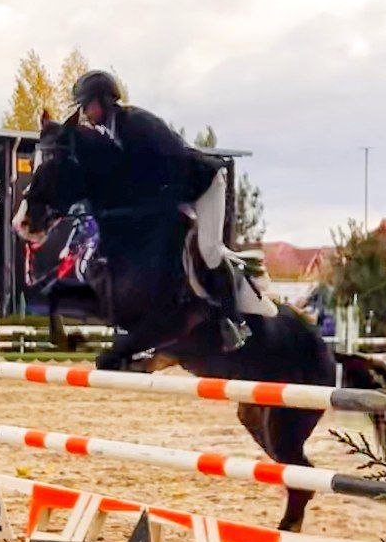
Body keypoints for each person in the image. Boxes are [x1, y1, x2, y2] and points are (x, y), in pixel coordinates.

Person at [71, 70, 251, 351]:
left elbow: (173, 163)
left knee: (209, 249)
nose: (85, 112)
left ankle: (234, 320)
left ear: (104, 100)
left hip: (202, 184)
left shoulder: (136, 124)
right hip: (174, 189)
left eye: (87, 104)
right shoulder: (113, 131)